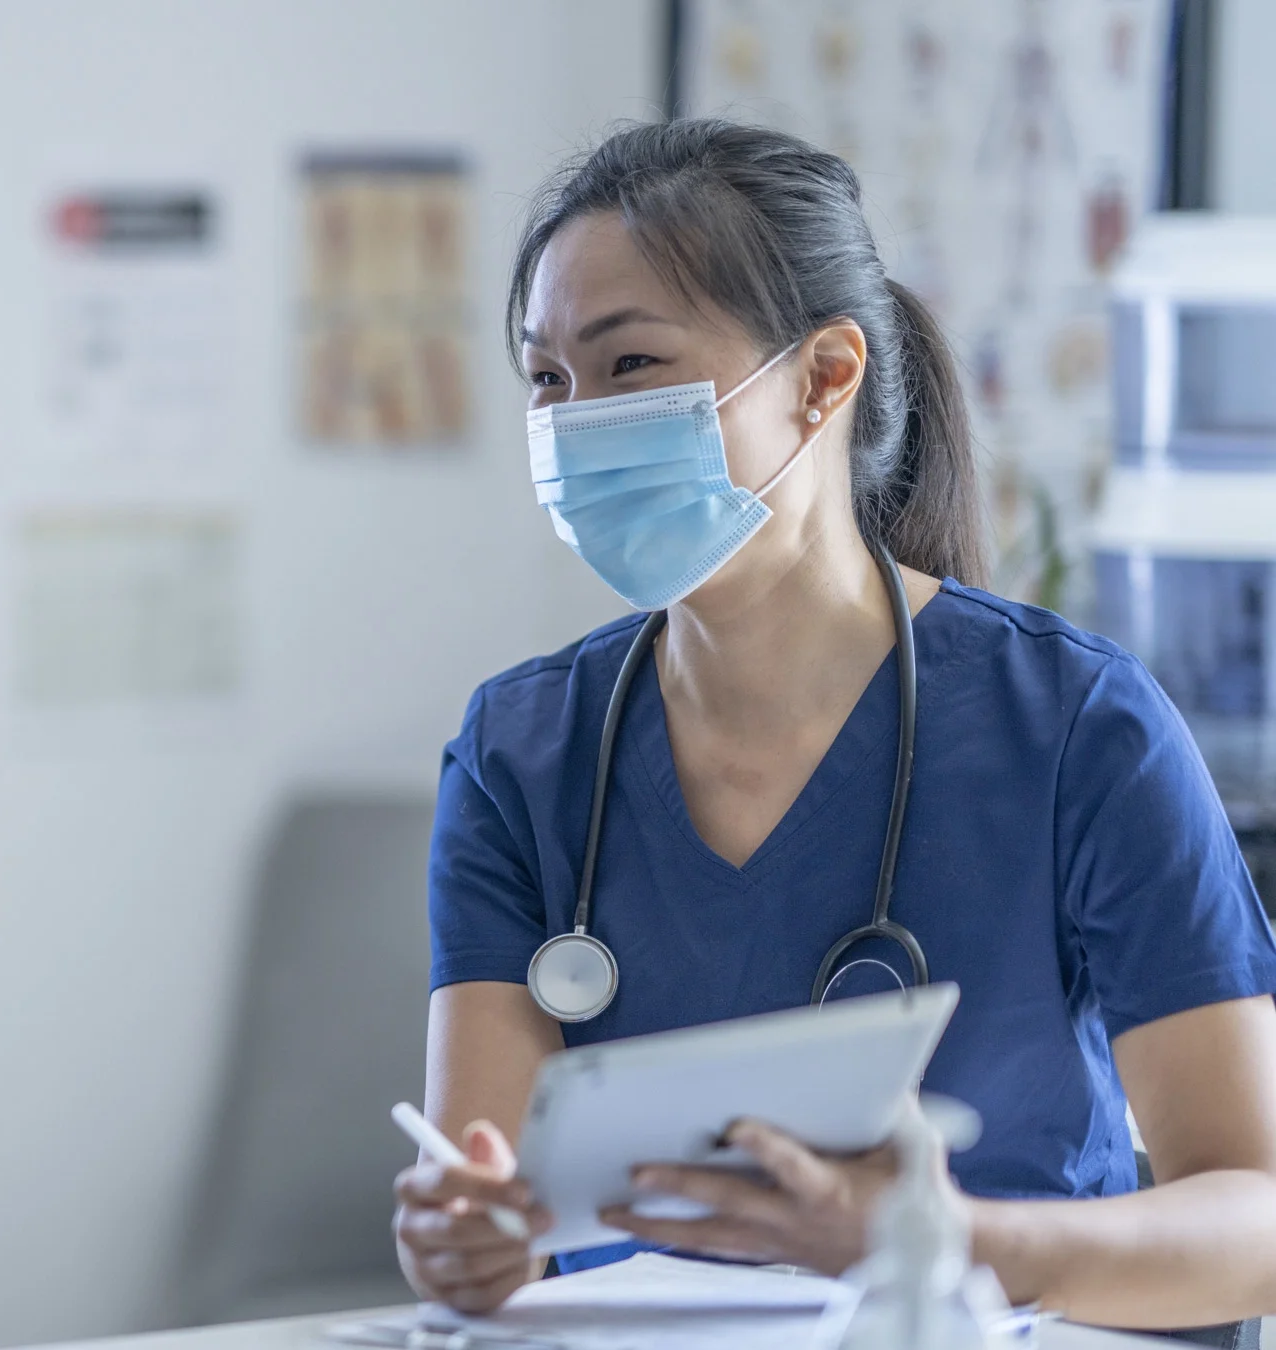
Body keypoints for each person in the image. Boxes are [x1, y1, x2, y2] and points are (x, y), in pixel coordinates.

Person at [395, 119, 1276, 1338]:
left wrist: (943, 1242)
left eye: (632, 365)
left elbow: (1254, 1222)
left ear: (823, 378)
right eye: (549, 380)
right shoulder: (520, 755)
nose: (577, 423)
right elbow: (504, 1209)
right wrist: (466, 1245)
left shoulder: (1077, 728)